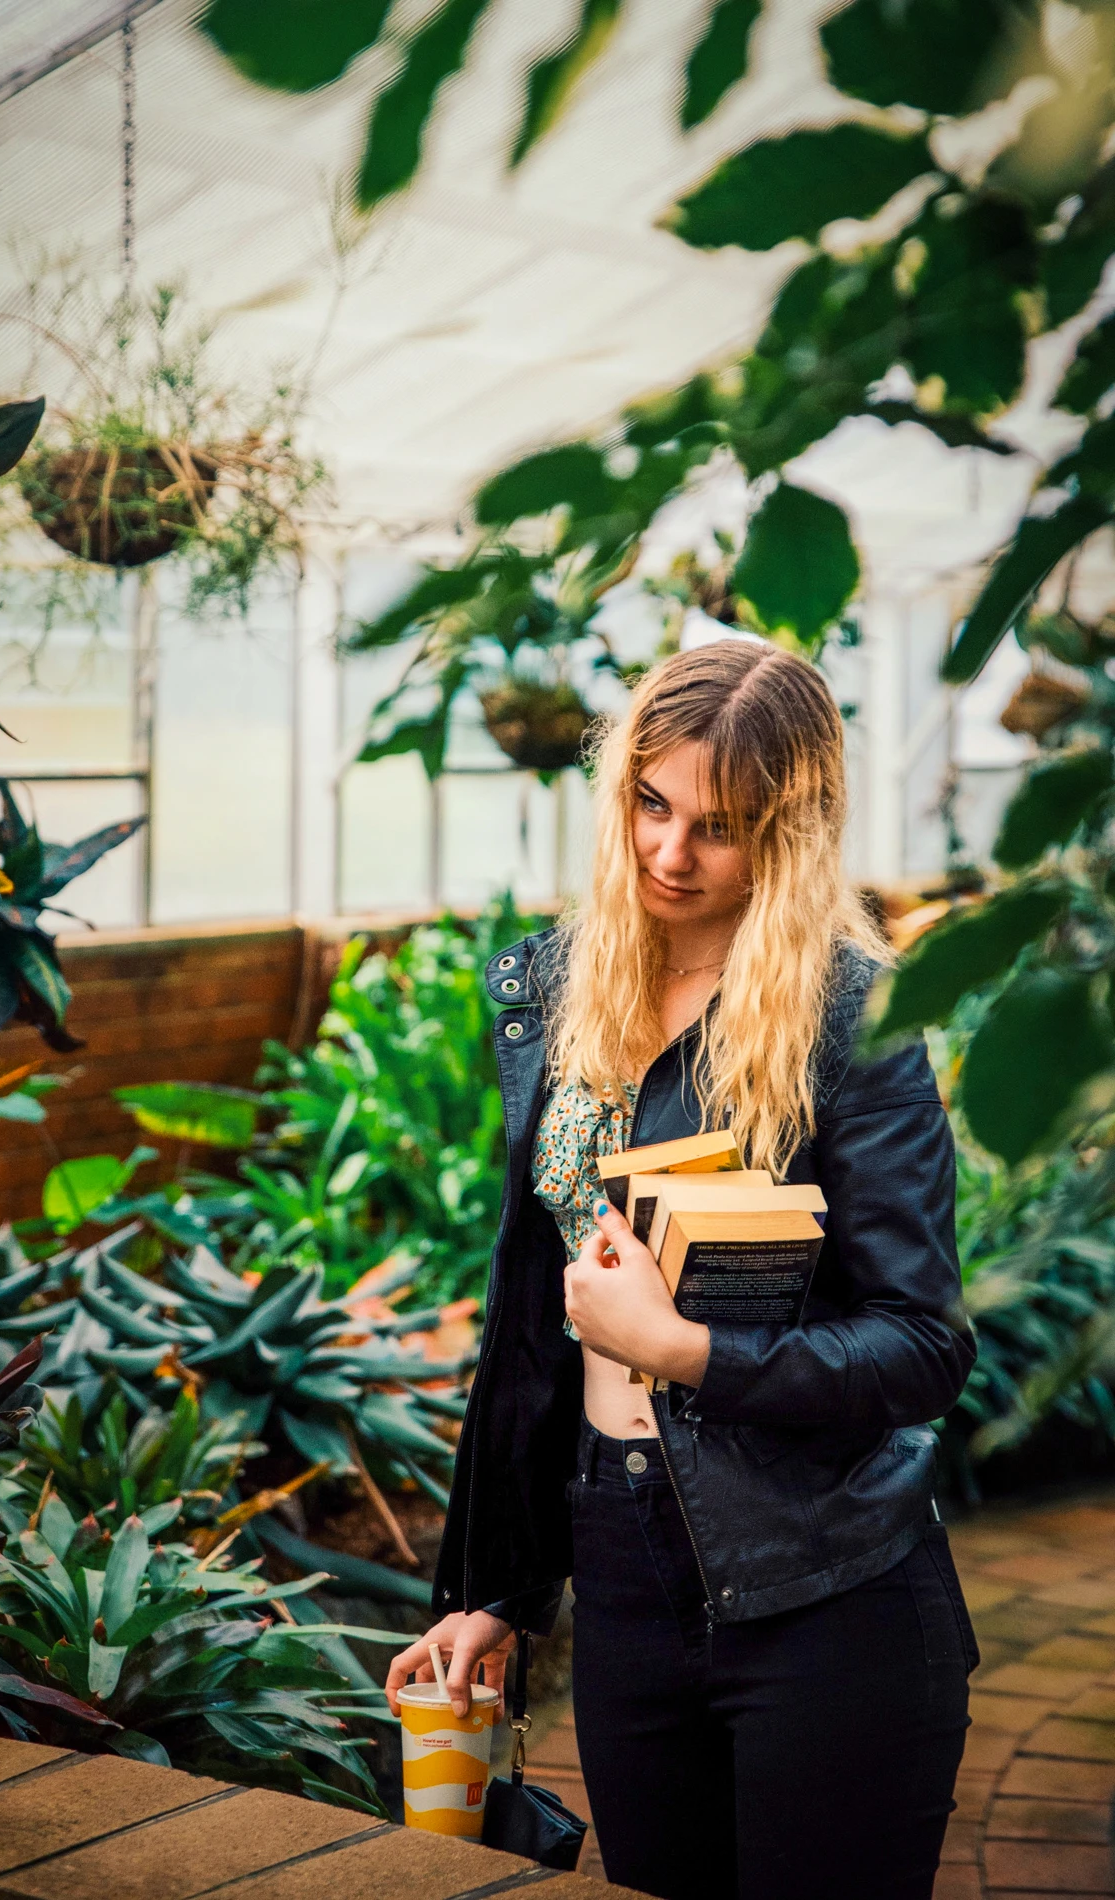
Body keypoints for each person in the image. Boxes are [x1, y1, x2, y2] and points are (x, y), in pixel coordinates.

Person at [385, 640, 977, 1900]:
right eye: (652, 805)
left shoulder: (851, 1015)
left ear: (793, 829)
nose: (670, 853)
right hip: (623, 1555)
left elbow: (921, 1345)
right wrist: (501, 1588)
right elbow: (541, 1322)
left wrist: (682, 1350)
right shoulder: (556, 983)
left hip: (825, 1576)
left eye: (722, 826)